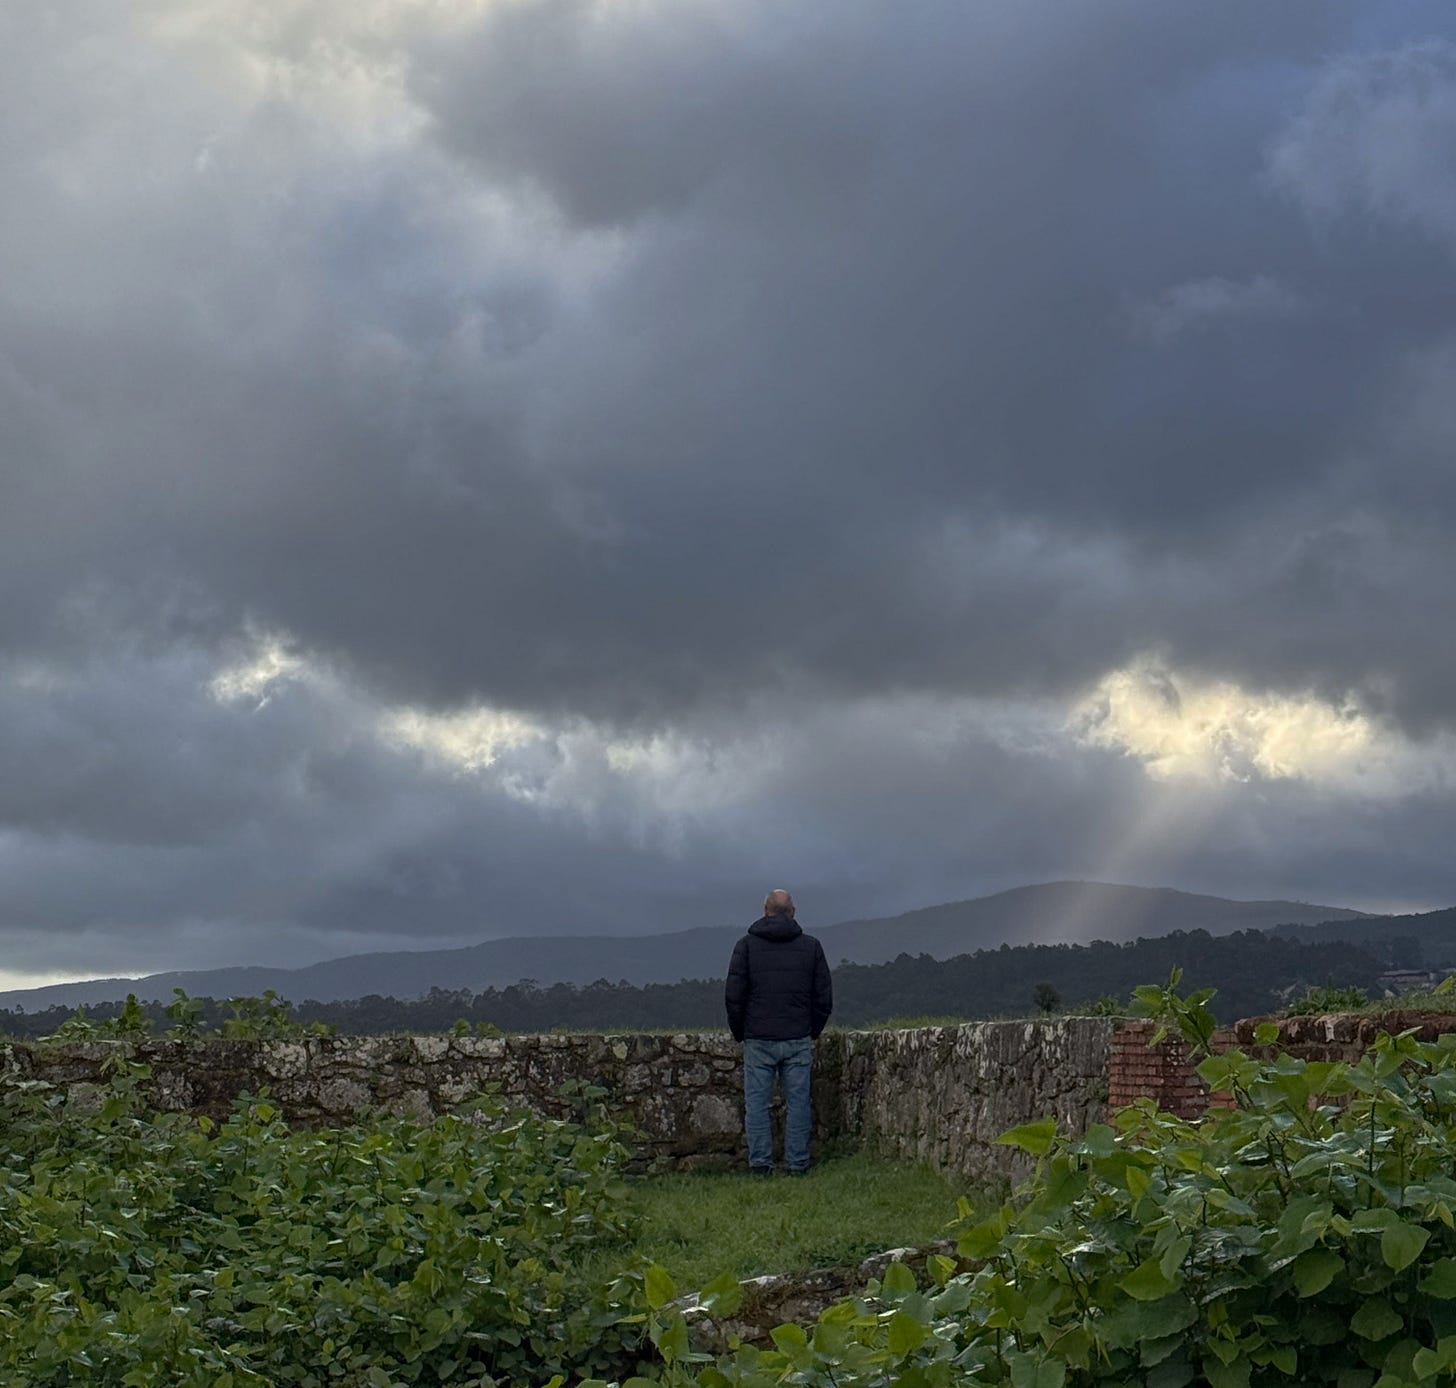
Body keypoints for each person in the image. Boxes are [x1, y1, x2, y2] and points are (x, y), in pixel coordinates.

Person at [723, 889, 833, 1176]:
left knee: (757, 1104)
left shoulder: (746, 946)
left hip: (758, 1036)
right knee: (798, 1103)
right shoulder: (811, 947)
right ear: (793, 913)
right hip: (797, 1036)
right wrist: (812, 1030)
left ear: (765, 910)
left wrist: (741, 1031)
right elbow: (823, 997)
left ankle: (761, 1164)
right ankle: (797, 1163)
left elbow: (734, 995)